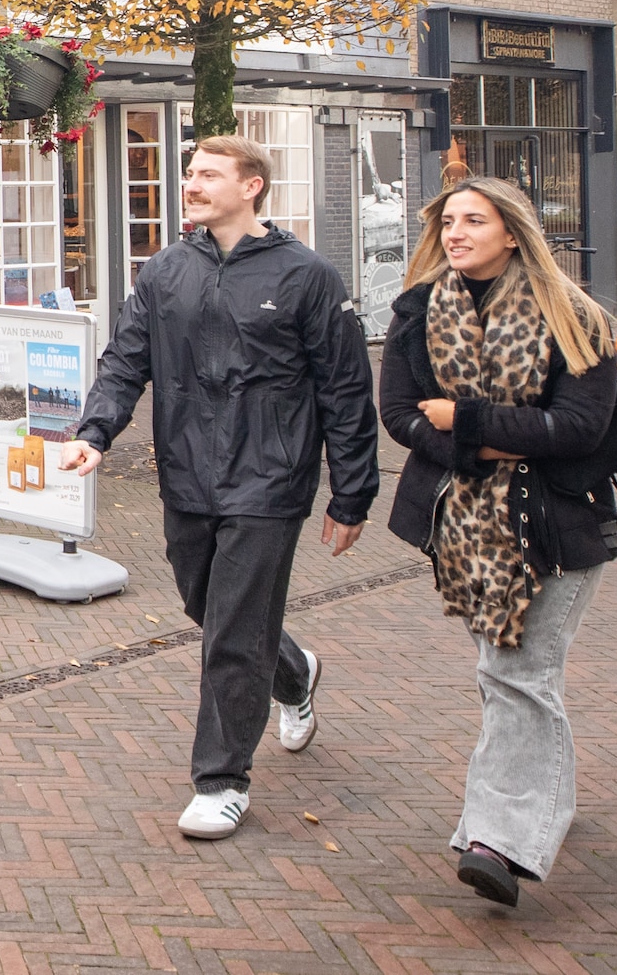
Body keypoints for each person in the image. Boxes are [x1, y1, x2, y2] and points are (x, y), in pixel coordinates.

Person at [60, 134, 378, 840]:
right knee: (207, 603)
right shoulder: (165, 271)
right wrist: (94, 433)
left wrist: (351, 493)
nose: (191, 183)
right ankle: (293, 672)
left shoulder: (307, 277)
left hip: (270, 479)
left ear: (252, 185)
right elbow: (124, 360)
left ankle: (221, 778)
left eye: (208, 174)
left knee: (232, 630)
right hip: (188, 477)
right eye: (189, 174)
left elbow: (348, 391)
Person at [377, 176, 617, 908]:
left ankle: (498, 840)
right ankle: (546, 803)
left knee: (517, 675)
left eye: (473, 220)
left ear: (512, 231)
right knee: (516, 674)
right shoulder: (418, 311)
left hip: (554, 528)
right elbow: (398, 414)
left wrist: (466, 422)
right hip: (467, 531)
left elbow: (577, 429)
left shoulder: (571, 315)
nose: (455, 232)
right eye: (448, 221)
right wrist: (472, 445)